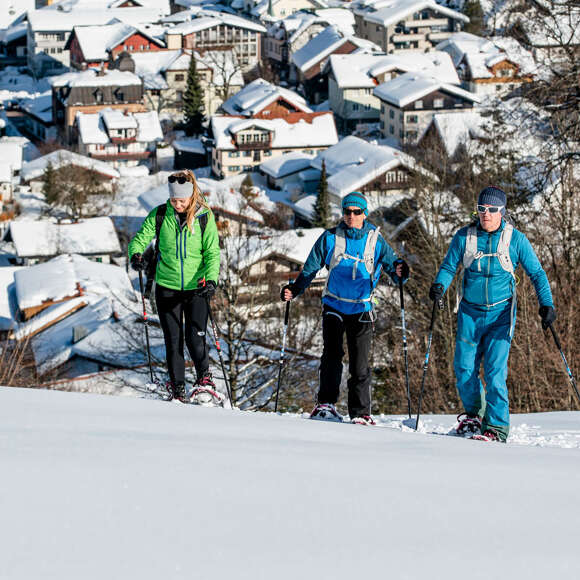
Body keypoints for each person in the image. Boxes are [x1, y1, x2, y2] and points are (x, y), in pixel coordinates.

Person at [430, 186, 556, 442]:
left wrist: (547, 304)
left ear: (502, 211)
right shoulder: (464, 237)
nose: (485, 214)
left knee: (495, 372)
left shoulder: (515, 240)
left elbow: (538, 274)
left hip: (501, 314)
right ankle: (474, 415)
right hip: (470, 313)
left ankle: (497, 427)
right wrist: (439, 286)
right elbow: (448, 266)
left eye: (492, 210)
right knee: (464, 369)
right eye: (481, 209)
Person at [281, 191, 408, 425]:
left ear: (364, 214)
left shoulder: (375, 240)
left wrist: (401, 271)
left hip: (362, 308)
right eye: (347, 212)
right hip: (334, 305)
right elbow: (310, 268)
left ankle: (360, 413)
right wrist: (295, 290)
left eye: (356, 212)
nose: (351, 216)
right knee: (331, 357)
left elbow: (394, 267)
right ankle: (326, 404)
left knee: (359, 364)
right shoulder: (330, 237)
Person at [128, 170, 221, 403]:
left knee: (194, 337)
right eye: (173, 200)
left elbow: (212, 252)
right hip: (167, 287)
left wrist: (211, 280)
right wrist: (136, 254)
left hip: (197, 287)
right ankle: (177, 388)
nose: (177, 204)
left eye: (182, 200)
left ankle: (204, 380)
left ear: (191, 196)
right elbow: (140, 238)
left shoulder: (204, 217)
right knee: (173, 340)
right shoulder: (160, 214)